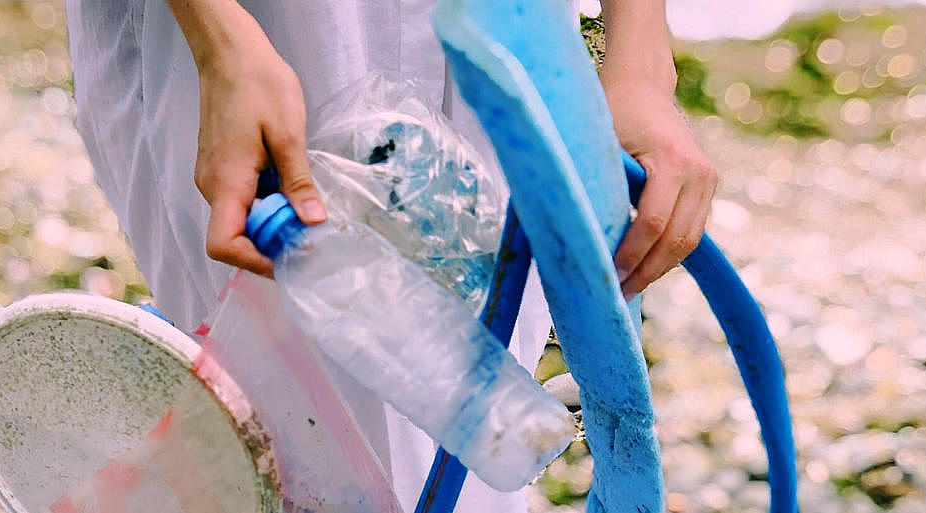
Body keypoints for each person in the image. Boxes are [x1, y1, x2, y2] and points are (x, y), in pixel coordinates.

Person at [65, 0, 719, 510]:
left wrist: (638, 62)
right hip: (270, 35)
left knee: (476, 460)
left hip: (506, 40)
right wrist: (221, 44)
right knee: (297, 457)